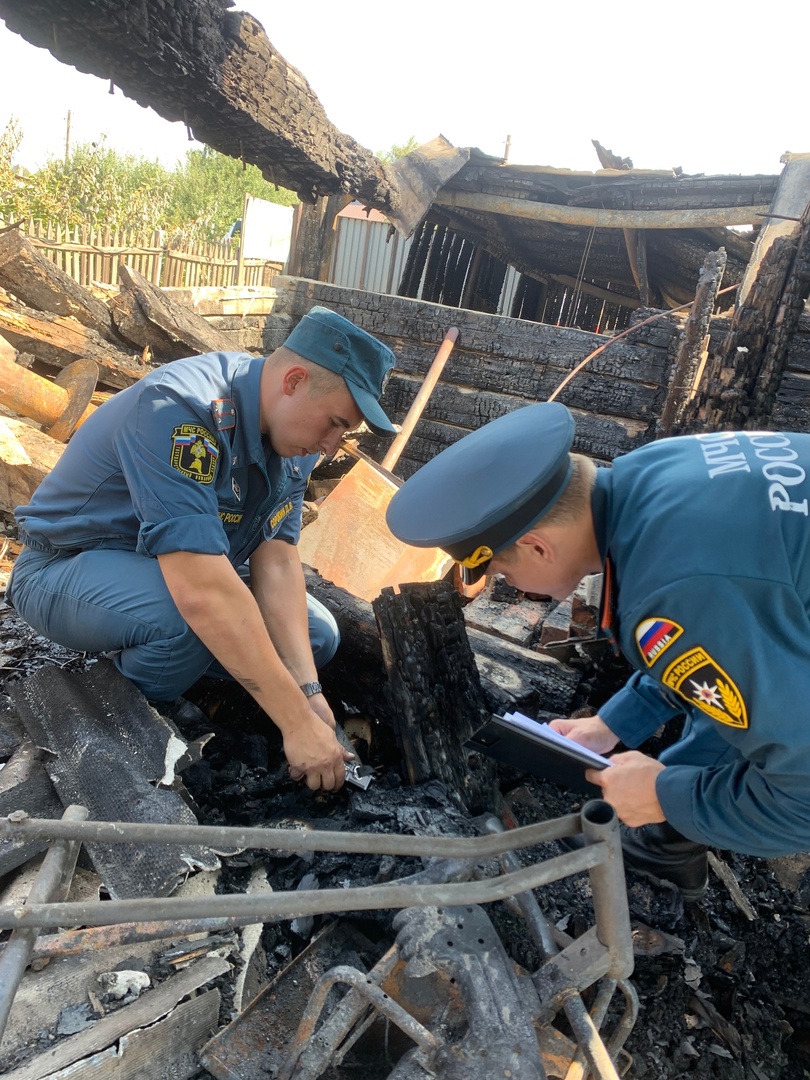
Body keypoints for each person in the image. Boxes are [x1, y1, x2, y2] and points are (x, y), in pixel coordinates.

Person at [385, 401, 810, 900]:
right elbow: (724, 644)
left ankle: (669, 840)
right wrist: (615, 724)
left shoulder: (672, 589)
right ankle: (669, 847)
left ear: (539, 547)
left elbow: (801, 803)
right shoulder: (653, 472)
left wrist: (666, 796)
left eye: (503, 572)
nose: (516, 588)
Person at [8, 306, 397, 792]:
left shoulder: (291, 442)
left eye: (345, 433)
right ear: (294, 380)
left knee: (319, 637)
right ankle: (115, 703)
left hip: (163, 578)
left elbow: (276, 562)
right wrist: (296, 724)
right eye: (334, 423)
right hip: (63, 570)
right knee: (190, 622)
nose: (332, 447)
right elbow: (203, 593)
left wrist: (308, 694)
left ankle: (186, 670)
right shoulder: (179, 409)